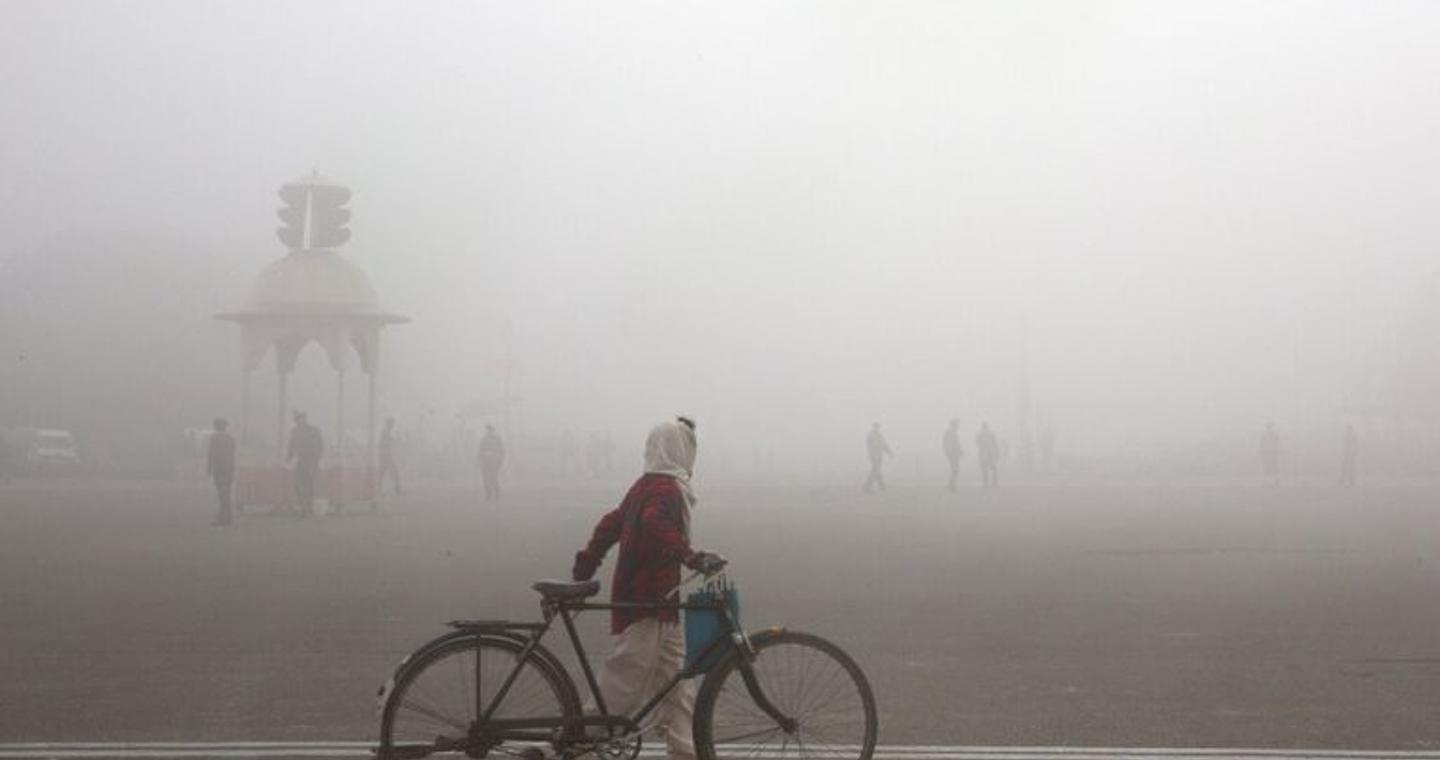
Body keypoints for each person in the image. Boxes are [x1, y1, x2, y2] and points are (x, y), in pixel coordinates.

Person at [571, 417, 725, 760]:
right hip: (649, 598)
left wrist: (587, 562)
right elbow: (653, 523)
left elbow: (612, 523)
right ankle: (580, 741)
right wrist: (691, 556)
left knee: (677, 683)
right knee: (625, 676)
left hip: (660, 599)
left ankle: (688, 751)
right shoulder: (665, 489)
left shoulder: (646, 484)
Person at [286, 412, 325, 516]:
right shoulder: (295, 431)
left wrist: (317, 457)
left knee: (308, 484)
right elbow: (291, 445)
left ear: (304, 419)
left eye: (300, 419)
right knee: (299, 484)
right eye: (297, 420)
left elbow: (321, 445)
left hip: (311, 460)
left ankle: (308, 508)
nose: (298, 421)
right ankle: (304, 507)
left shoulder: (314, 431)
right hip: (302, 460)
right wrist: (289, 457)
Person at [205, 418, 237, 526]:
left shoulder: (214, 438)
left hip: (219, 469)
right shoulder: (231, 438)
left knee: (222, 495)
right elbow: (232, 455)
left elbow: (212, 454)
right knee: (226, 494)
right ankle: (227, 517)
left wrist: (209, 468)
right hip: (229, 469)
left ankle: (222, 517)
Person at [862, 422, 892, 493]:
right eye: (876, 427)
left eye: (878, 427)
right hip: (874, 455)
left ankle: (881, 486)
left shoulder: (879, 435)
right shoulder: (871, 435)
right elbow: (869, 445)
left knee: (877, 470)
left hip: (878, 455)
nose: (877, 428)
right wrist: (889, 452)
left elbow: (883, 444)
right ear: (874, 427)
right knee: (875, 470)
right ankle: (868, 485)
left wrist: (889, 452)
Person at [478, 424, 505, 501]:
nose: (489, 431)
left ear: (493, 430)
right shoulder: (483, 439)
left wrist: (500, 460)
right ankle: (488, 494)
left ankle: (497, 494)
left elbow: (502, 450)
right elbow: (480, 450)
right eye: (488, 430)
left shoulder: (497, 439)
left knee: (494, 478)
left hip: (494, 462)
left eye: (490, 430)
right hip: (485, 462)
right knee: (485, 479)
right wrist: (481, 458)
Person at [378, 417, 403, 496]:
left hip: (384, 455)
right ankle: (398, 490)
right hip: (385, 455)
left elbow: (390, 442)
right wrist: (396, 439)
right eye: (392, 424)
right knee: (394, 473)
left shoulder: (386, 432)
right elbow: (387, 442)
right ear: (389, 424)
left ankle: (378, 491)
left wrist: (396, 440)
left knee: (382, 474)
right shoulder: (385, 432)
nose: (393, 426)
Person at [976, 422, 999, 488]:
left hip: (984, 453)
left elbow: (977, 443)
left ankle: (986, 483)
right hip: (989, 453)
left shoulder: (980, 434)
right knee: (993, 468)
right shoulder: (991, 434)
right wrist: (996, 452)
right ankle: (994, 482)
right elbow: (995, 443)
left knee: (985, 468)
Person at [942, 419, 963, 492]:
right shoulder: (952, 432)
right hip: (953, 454)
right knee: (955, 470)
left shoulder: (950, 432)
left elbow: (953, 443)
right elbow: (955, 443)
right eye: (957, 424)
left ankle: (951, 485)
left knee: (954, 469)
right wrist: (958, 451)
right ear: (955, 424)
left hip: (952, 453)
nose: (958, 426)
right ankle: (951, 486)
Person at [1260, 422, 1281, 487]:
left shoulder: (1271, 435)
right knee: (1270, 466)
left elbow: (1277, 442)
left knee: (1272, 465)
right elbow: (1262, 443)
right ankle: (1271, 480)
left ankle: (1273, 480)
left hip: (1271, 452)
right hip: (1269, 452)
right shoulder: (1271, 434)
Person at [1340, 424, 1359, 488]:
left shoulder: (1352, 436)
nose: (1347, 430)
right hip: (1347, 454)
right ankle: (1343, 480)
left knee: (1350, 468)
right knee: (1346, 468)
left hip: (1350, 454)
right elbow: (1346, 444)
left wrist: (1353, 452)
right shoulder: (1348, 436)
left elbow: (1355, 444)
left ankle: (1351, 481)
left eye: (1348, 429)